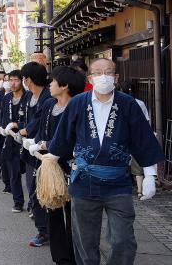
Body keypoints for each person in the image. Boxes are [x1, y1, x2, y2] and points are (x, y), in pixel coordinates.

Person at [49, 58, 165, 265]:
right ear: (90, 78)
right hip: (84, 182)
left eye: (109, 72)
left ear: (116, 77)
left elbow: (143, 140)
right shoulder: (78, 102)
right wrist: (49, 163)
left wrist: (150, 175)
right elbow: (63, 139)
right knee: (85, 241)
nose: (104, 76)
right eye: (98, 72)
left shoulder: (128, 104)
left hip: (118, 183)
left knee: (122, 240)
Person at [25, 66, 85, 265]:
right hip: (51, 168)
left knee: (74, 217)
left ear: (64, 86)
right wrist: (37, 147)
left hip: (72, 168)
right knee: (54, 212)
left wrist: (46, 145)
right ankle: (61, 259)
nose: (50, 85)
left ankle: (76, 256)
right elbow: (42, 131)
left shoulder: (79, 107)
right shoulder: (50, 105)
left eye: (53, 81)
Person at [18, 61, 52, 246]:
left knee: (42, 194)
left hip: (45, 152)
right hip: (31, 152)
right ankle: (43, 230)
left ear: (29, 79)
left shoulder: (47, 97)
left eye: (24, 78)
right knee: (33, 192)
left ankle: (46, 232)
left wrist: (25, 133)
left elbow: (38, 122)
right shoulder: (29, 96)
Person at [0, 69, 26, 212]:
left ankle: (34, 205)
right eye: (11, 80)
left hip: (26, 139)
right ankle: (18, 201)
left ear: (22, 81)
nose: (13, 83)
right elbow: (2, 116)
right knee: (14, 172)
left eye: (16, 80)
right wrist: (1, 128)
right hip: (10, 139)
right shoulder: (6, 98)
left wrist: (18, 127)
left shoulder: (28, 97)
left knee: (30, 174)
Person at [118, 81, 151, 198]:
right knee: (137, 166)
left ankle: (122, 187)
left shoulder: (118, 103)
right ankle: (140, 190)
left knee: (120, 162)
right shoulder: (140, 103)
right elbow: (146, 121)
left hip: (121, 137)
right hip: (137, 137)